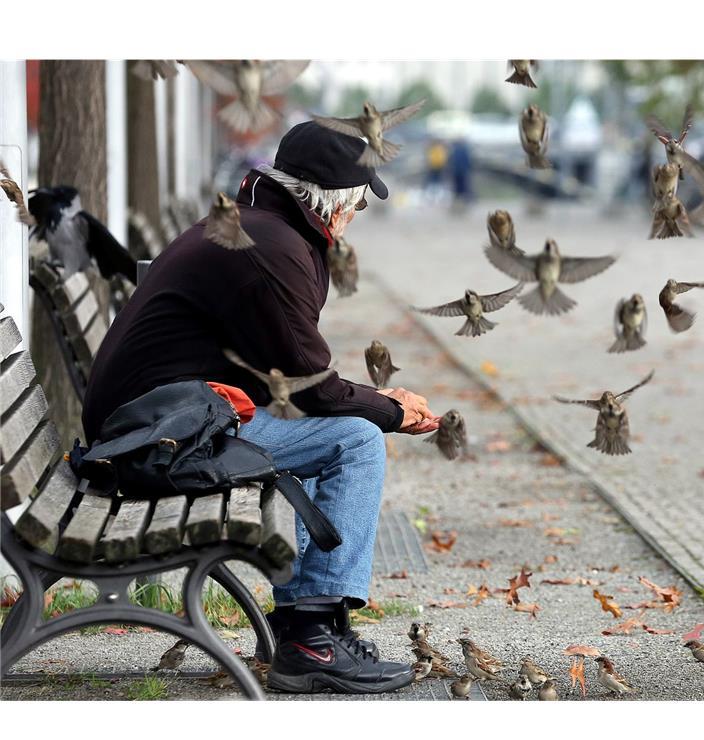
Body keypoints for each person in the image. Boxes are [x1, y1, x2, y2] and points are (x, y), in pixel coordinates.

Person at [82, 122, 440, 695]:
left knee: (333, 431)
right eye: (354, 205)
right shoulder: (269, 249)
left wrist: (375, 400)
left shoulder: (256, 227)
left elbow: (289, 376)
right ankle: (313, 638)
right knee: (356, 440)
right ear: (327, 203)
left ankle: (305, 623)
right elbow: (313, 388)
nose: (353, 220)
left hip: (158, 420)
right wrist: (391, 410)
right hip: (154, 438)